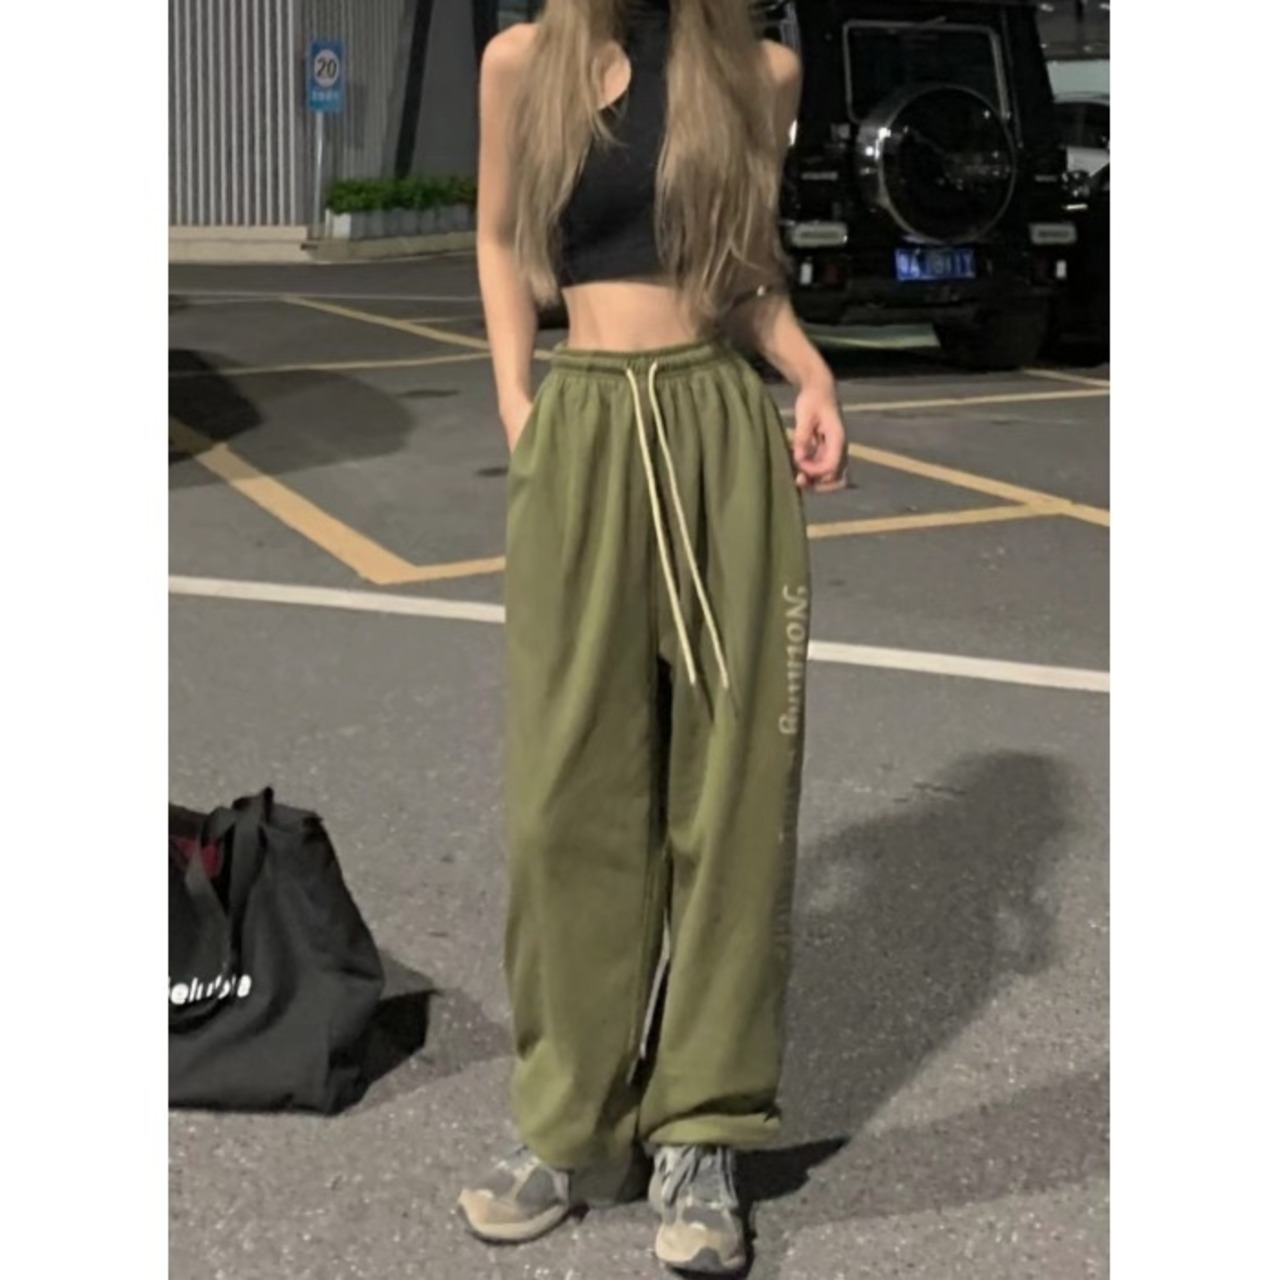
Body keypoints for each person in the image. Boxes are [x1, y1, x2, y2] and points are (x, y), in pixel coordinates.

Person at [457, 0, 847, 1272]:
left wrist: (809, 371)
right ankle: (569, 1122)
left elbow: (744, 281)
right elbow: (498, 235)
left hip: (716, 427)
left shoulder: (760, 71)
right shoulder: (522, 62)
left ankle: (701, 1130)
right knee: (563, 798)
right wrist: (518, 403)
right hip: (580, 427)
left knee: (731, 798)